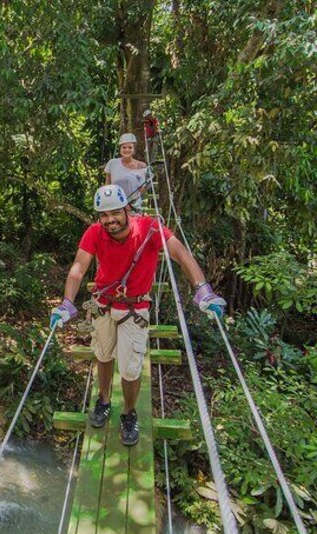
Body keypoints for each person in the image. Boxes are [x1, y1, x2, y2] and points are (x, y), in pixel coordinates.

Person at [51, 184, 226, 446]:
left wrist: (203, 291)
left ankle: (129, 413)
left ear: (127, 209)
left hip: (135, 308)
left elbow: (180, 254)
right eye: (104, 215)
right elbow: (78, 267)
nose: (109, 220)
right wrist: (66, 302)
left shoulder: (150, 228)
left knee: (131, 369)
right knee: (102, 355)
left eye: (115, 213)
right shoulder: (94, 233)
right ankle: (104, 400)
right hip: (104, 304)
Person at [104, 133, 148, 212]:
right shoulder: (112, 163)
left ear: (134, 149)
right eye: (124, 147)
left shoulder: (141, 166)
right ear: (120, 149)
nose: (127, 150)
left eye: (130, 147)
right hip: (116, 207)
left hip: (133, 208)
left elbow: (142, 190)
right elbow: (107, 186)